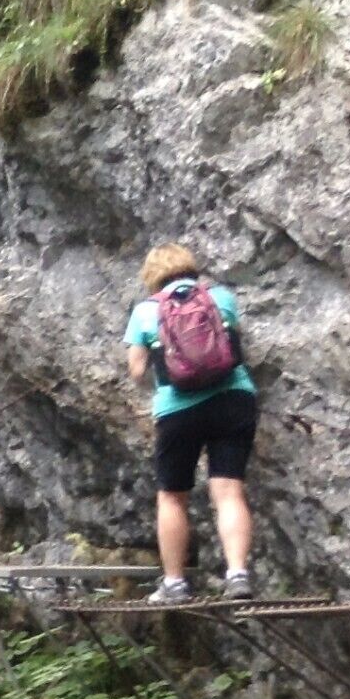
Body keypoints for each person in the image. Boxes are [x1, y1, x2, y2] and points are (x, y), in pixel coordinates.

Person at [123, 242, 259, 605]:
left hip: (178, 409)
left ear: (152, 277)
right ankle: (237, 575)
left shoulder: (145, 312)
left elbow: (136, 370)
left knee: (172, 496)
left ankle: (175, 583)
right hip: (234, 399)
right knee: (228, 491)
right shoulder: (220, 297)